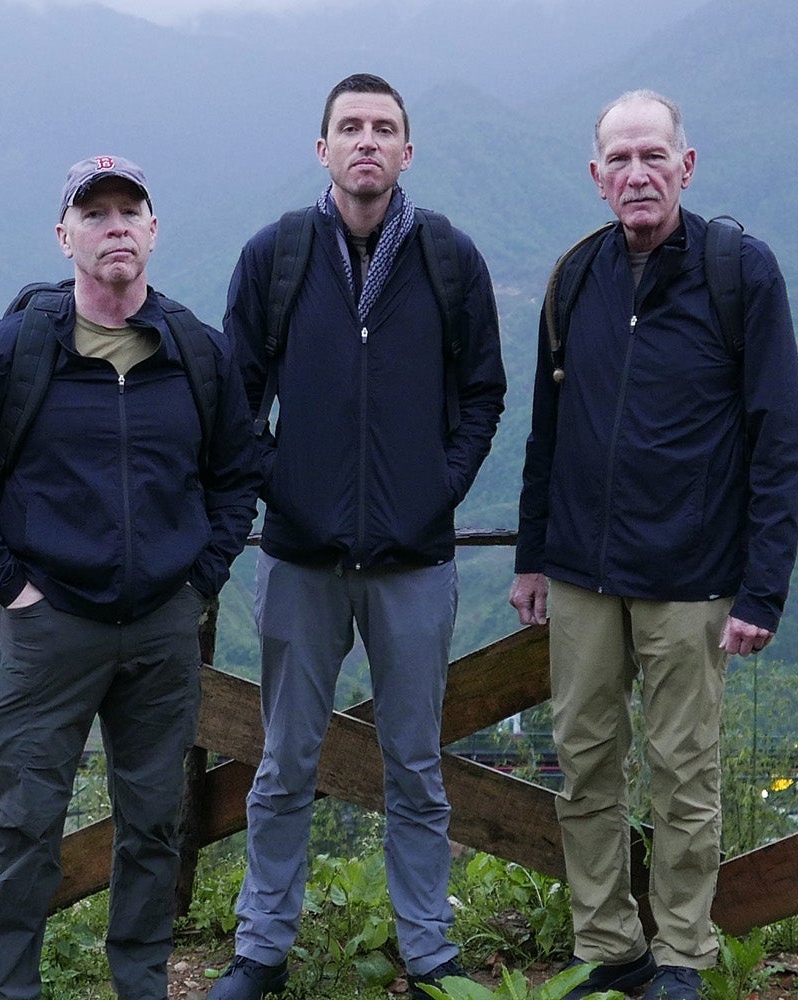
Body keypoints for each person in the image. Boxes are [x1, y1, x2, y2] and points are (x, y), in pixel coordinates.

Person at [0, 155, 260, 1000]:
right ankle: (6, 989)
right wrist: (14, 590)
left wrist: (200, 581)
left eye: (128, 212)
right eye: (95, 214)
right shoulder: (11, 351)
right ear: (64, 236)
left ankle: (141, 984)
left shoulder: (196, 353)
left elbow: (237, 476)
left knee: (154, 821)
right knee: (25, 823)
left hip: (160, 626)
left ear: (153, 231)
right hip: (49, 627)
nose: (115, 228)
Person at [209, 73, 506, 1000]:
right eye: (350, 127)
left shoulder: (449, 258)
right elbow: (235, 399)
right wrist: (284, 488)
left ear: (406, 152)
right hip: (300, 558)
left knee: (415, 768)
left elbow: (483, 393)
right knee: (283, 764)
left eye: (383, 127)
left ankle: (429, 953)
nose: (366, 140)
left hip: (414, 562)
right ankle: (262, 949)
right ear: (324, 148)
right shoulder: (276, 256)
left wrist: (437, 490)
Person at [509, 90, 798, 1000]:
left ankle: (682, 953)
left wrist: (763, 588)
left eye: (653, 156)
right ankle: (610, 945)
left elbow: (778, 435)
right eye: (620, 160)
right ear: (596, 176)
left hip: (692, 572)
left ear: (687, 164)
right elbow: (547, 429)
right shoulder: (574, 278)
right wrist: (531, 554)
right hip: (582, 570)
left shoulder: (738, 272)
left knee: (683, 771)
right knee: (583, 762)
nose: (637, 174)